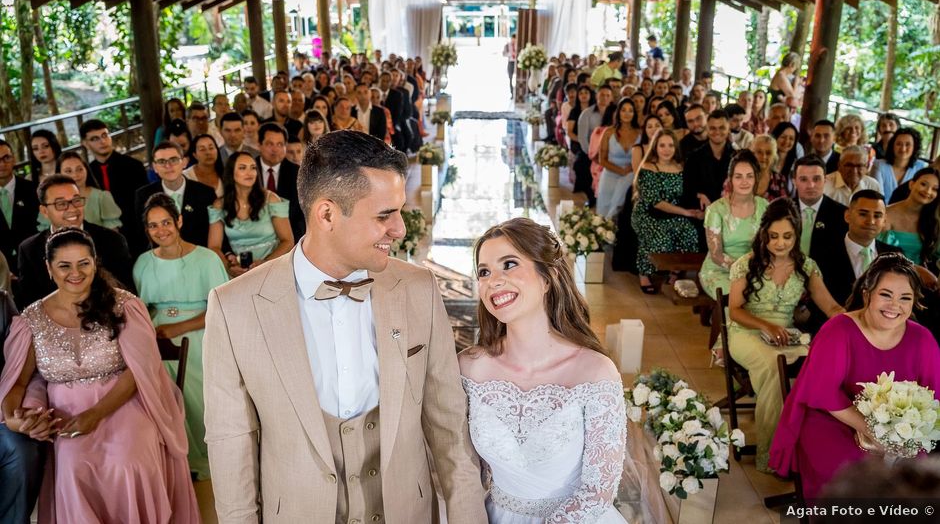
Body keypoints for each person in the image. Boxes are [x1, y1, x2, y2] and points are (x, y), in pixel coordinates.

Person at [203, 130, 487, 522]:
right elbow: (230, 444)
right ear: (327, 214)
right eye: (384, 215)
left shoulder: (419, 289)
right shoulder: (233, 307)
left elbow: (450, 428)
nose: (400, 229)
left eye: (399, 211)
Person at [0, 227, 200, 522]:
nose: (75, 273)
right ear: (49, 267)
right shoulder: (30, 320)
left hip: (125, 401)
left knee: (129, 463)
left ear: (95, 262)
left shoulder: (124, 305)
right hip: (65, 413)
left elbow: (140, 370)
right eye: (64, 265)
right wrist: (16, 420)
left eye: (83, 263)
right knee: (74, 467)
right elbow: (17, 381)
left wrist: (96, 413)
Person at [460, 218, 627, 522]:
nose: (493, 280)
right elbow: (460, 465)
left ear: (548, 277)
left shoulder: (595, 372)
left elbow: (598, 490)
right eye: (484, 272)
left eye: (509, 264)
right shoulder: (469, 368)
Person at [769, 254, 940, 500]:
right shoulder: (838, 331)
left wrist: (907, 436)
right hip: (832, 421)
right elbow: (823, 393)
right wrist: (873, 432)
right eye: (886, 294)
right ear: (867, 293)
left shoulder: (923, 340)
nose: (895, 306)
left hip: (898, 432)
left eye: (905, 298)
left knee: (916, 479)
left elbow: (934, 399)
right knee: (860, 477)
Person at [728, 198, 843, 473]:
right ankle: (773, 455)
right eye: (774, 236)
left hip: (788, 336)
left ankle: (807, 449)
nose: (780, 243)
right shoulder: (747, 264)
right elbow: (734, 311)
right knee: (772, 367)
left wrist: (855, 323)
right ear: (764, 234)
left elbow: (831, 306)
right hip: (747, 332)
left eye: (788, 236)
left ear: (797, 235)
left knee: (821, 367)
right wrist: (766, 326)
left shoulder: (807, 267)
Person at [133, 194, 229, 481]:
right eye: (153, 226)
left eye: (166, 222)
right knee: (164, 397)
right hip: (156, 340)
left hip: (199, 333)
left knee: (197, 396)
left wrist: (180, 328)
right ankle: (179, 460)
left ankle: (209, 460)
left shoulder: (207, 259)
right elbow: (143, 307)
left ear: (179, 221)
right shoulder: (142, 263)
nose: (161, 230)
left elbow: (221, 307)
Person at [16, 175, 134, 308]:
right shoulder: (29, 249)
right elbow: (28, 303)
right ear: (44, 211)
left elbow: (126, 294)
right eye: (61, 204)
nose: (72, 209)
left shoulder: (112, 241)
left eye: (76, 201)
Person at [632, 129, 702, 293]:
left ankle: (675, 273)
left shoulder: (680, 167)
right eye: (662, 145)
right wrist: (685, 213)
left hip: (673, 212)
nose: (666, 149)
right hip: (648, 213)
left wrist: (700, 195)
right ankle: (644, 273)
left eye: (671, 145)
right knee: (659, 237)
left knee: (689, 234)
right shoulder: (649, 168)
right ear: (655, 147)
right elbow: (656, 202)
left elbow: (688, 189)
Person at [0, 287, 47, 524]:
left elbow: (27, 371)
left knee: (22, 449)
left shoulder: (1, 303)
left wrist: (29, 408)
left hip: (1, 408)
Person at [208, 152, 293, 277]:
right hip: (239, 271)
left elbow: (288, 241)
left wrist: (265, 263)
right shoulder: (220, 204)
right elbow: (214, 246)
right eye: (242, 168)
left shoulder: (271, 199)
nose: (250, 172)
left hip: (272, 267)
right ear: (231, 173)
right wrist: (228, 267)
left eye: (253, 168)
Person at [700, 152, 770, 300]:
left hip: (755, 269)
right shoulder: (715, 210)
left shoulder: (765, 207)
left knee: (766, 298)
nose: (744, 182)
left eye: (749, 176)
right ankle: (724, 320)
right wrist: (744, 271)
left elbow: (769, 244)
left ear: (756, 177)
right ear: (730, 179)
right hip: (720, 270)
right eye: (738, 176)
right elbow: (716, 255)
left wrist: (759, 268)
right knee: (739, 297)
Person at [815, 191, 902, 307]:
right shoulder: (822, 253)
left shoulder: (895, 255)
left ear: (884, 220)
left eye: (877, 216)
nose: (870, 221)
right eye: (863, 214)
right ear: (847, 216)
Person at [134, 141, 217, 253]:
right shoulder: (143, 195)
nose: (168, 166)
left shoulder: (205, 193)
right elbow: (140, 236)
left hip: (198, 257)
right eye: (162, 161)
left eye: (173, 160)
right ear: (155, 167)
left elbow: (212, 234)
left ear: (184, 162)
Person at [80, 119, 148, 240]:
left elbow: (145, 202)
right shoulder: (87, 172)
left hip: (136, 231)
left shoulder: (133, 166)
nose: (102, 141)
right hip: (103, 235)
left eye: (105, 135)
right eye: (94, 139)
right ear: (85, 143)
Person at [792, 156, 848, 264]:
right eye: (803, 179)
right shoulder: (781, 210)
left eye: (816, 179)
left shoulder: (841, 214)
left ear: (825, 180)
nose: (810, 185)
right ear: (794, 182)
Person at [880, 168, 940, 267]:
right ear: (911, 184)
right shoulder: (886, 213)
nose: (928, 191)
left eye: (935, 189)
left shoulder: (935, 220)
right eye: (923, 184)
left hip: (922, 278)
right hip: (887, 273)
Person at [47, 151, 122, 231]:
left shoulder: (101, 197)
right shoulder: (51, 202)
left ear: (86, 169)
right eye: (68, 171)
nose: (75, 175)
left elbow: (113, 234)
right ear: (59, 174)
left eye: (79, 169)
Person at [256, 123, 305, 241]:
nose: (275, 149)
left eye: (280, 144)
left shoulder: (297, 173)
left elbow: (300, 215)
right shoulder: (248, 169)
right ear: (259, 145)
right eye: (269, 144)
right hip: (255, 236)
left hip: (290, 236)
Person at [0, 140, 40, 280]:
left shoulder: (33, 189)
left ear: (14, 158)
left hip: (34, 264)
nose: (2, 164)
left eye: (6, 157)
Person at [596, 98, 641, 219]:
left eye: (630, 111)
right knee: (604, 212)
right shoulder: (609, 132)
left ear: (634, 113)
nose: (627, 114)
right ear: (618, 112)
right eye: (623, 110)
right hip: (610, 173)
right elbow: (602, 159)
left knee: (622, 210)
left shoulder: (640, 133)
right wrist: (620, 170)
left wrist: (630, 169)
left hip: (631, 174)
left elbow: (644, 156)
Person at [684, 110, 735, 213]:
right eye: (712, 128)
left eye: (722, 128)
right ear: (707, 128)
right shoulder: (693, 158)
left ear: (728, 128)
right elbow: (686, 190)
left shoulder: (737, 157)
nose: (717, 132)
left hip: (731, 214)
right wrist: (698, 195)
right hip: (702, 215)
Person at [869, 127, 926, 203]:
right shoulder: (879, 165)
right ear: (892, 146)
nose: (903, 148)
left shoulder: (920, 166)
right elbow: (876, 196)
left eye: (908, 144)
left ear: (915, 147)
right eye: (898, 144)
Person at [184, 134, 224, 199]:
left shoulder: (225, 173)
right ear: (195, 155)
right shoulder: (186, 176)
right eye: (202, 149)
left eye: (211, 148)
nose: (208, 153)